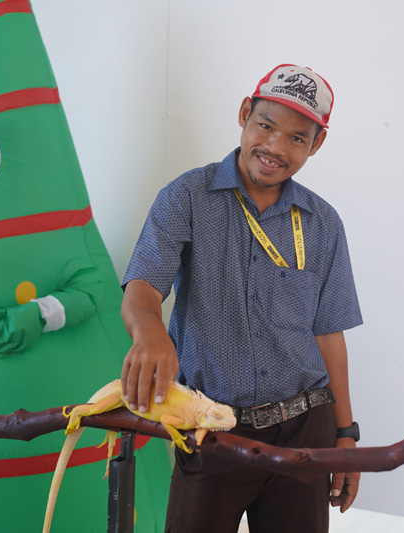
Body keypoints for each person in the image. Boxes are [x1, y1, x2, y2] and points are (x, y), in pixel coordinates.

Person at [119, 64, 363, 533]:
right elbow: (143, 284)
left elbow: (329, 335)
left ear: (316, 144)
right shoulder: (186, 197)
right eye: (265, 126)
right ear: (244, 113)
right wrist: (149, 332)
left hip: (305, 430)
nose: (275, 147)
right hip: (212, 428)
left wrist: (345, 435)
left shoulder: (323, 223)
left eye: (297, 138)